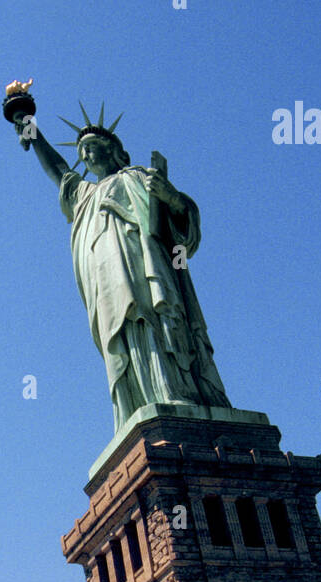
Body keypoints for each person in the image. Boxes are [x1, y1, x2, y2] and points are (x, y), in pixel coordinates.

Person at [15, 113, 232, 430]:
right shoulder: (85, 195)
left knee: (153, 318)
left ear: (117, 152)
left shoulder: (139, 176)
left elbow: (184, 224)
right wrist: (32, 133)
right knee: (124, 333)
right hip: (106, 280)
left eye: (93, 146)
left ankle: (175, 391)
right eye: (82, 152)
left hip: (145, 264)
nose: (87, 155)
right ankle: (137, 404)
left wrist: (170, 197)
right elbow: (60, 172)